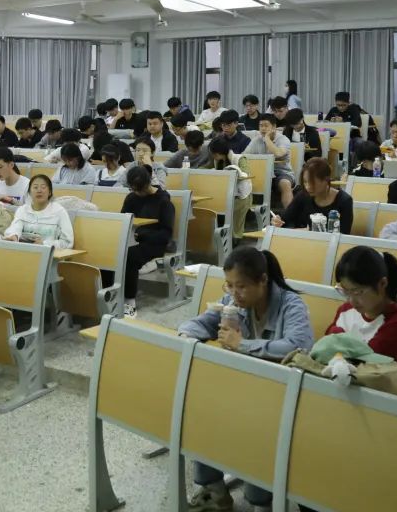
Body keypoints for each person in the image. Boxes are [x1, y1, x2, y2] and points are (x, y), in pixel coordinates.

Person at [178, 247, 313, 512]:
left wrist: (242, 345)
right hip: (244, 387)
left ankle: (261, 501)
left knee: (254, 425)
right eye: (229, 285)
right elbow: (197, 324)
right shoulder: (233, 303)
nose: (233, 293)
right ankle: (214, 490)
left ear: (262, 280)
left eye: (240, 286)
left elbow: (296, 346)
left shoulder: (291, 304)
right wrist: (187, 338)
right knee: (200, 407)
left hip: (282, 394)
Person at [325, 246, 397, 394]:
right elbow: (325, 350)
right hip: (348, 391)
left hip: (391, 398)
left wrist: (339, 349)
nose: (351, 300)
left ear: (382, 284)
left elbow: (368, 366)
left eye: (357, 291)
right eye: (345, 291)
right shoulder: (345, 311)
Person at [116, 165, 175, 317]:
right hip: (133, 239)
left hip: (155, 243)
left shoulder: (163, 201)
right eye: (133, 189)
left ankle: (129, 301)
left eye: (139, 189)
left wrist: (141, 236)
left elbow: (166, 234)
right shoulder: (131, 198)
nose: (137, 193)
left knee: (129, 256)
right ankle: (113, 296)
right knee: (111, 252)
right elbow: (123, 220)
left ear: (148, 183)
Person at [273, 157, 353, 234]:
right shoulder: (302, 196)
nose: (308, 187)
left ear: (326, 180)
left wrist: (308, 232)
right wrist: (276, 221)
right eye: (305, 182)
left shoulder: (344, 201)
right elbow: (284, 220)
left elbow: (344, 233)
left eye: (312, 182)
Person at [3, 174, 74, 248]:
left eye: (43, 187)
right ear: (29, 192)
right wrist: (14, 236)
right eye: (35, 187)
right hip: (24, 251)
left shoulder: (59, 212)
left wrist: (45, 244)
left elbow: (67, 242)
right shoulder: (22, 210)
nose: (39, 190)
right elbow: (15, 228)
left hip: (49, 253)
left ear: (50, 192)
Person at [209, 137, 253, 241]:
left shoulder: (239, 159)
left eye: (215, 154)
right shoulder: (217, 161)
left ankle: (236, 236)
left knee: (235, 206)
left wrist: (234, 172)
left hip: (241, 195)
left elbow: (246, 174)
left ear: (221, 152)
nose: (213, 156)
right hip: (225, 193)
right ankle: (216, 235)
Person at [246, 115, 295, 207]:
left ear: (274, 127)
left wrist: (267, 139)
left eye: (266, 125)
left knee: (285, 184)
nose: (263, 128)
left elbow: (278, 153)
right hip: (262, 173)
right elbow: (244, 156)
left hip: (281, 172)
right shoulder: (256, 140)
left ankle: (290, 213)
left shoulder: (283, 139)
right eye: (261, 125)